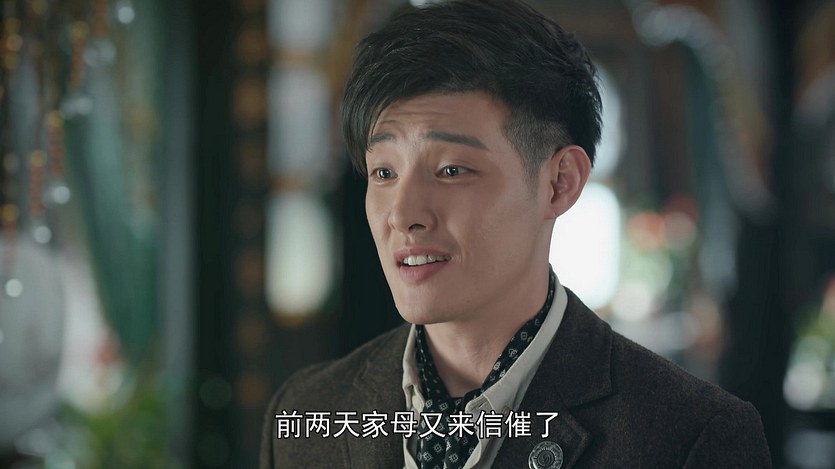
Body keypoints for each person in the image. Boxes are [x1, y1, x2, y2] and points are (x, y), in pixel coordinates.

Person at [260, 0, 772, 467]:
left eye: (452, 170)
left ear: (559, 182)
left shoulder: (690, 436)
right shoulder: (307, 415)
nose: (403, 215)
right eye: (384, 172)